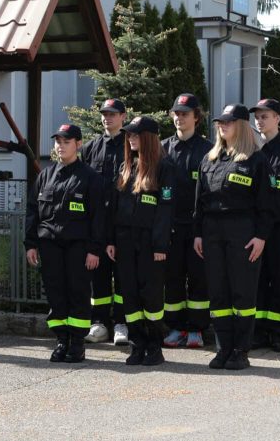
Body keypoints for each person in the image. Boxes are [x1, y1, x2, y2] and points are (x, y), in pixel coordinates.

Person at [194, 104, 275, 371]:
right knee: (218, 293)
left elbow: (267, 205)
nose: (222, 126)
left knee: (242, 292)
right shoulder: (209, 159)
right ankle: (223, 348)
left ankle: (241, 350)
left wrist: (261, 237)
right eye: (220, 122)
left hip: (243, 232)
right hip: (212, 231)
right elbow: (199, 202)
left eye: (228, 122)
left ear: (240, 126)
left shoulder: (256, 160)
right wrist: (198, 234)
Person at [25, 124, 105, 363]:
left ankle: (77, 344)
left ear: (78, 144)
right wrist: (30, 244)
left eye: (66, 142)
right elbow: (33, 211)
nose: (60, 146)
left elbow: (98, 217)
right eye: (58, 141)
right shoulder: (46, 175)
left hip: (78, 247)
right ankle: (62, 340)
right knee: (55, 293)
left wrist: (94, 250)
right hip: (50, 245)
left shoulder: (90, 177)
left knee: (78, 293)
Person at [106, 118, 176, 366]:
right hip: (125, 240)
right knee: (130, 294)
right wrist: (111, 240)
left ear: (148, 137)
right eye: (129, 135)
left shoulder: (164, 166)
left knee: (151, 296)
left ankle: (154, 346)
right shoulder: (126, 166)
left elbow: (165, 210)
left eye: (136, 135)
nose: (131, 139)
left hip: (150, 243)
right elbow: (114, 207)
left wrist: (160, 245)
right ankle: (137, 345)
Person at [249, 99, 280, 353]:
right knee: (257, 280)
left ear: (278, 119)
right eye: (257, 117)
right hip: (256, 229)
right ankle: (258, 332)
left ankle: (279, 333)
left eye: (265, 116)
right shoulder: (250, 151)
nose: (259, 121)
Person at [162, 93, 212, 349]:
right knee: (172, 278)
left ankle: (197, 329)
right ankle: (176, 327)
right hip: (170, 227)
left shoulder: (208, 150)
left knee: (198, 278)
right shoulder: (163, 148)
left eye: (185, 114)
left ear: (196, 117)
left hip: (196, 228)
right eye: (177, 113)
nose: (180, 118)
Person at [80, 98, 128, 346]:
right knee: (97, 276)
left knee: (123, 276)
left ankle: (121, 323)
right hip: (97, 223)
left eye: (112, 114)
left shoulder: (131, 146)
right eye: (104, 114)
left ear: (123, 117)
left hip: (123, 223)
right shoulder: (91, 148)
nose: (107, 118)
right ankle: (99, 323)